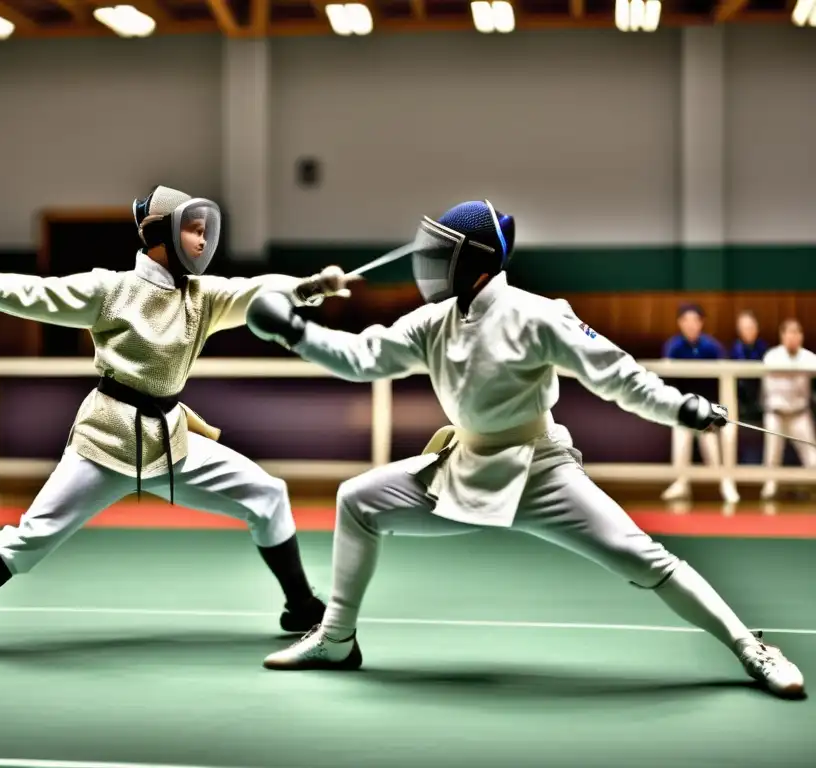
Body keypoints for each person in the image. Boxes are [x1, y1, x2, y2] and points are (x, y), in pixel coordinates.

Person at [245, 200, 804, 699]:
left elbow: (617, 376)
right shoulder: (434, 321)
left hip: (540, 471)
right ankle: (337, 639)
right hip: (460, 466)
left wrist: (682, 407)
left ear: (478, 262)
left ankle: (750, 648)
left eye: (445, 254)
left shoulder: (539, 314)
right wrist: (297, 332)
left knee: (646, 559)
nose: (432, 265)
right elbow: (364, 357)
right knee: (358, 500)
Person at [0, 185, 350, 657]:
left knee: (267, 493)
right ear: (161, 233)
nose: (204, 242)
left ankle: (300, 605)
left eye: (207, 232)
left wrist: (308, 288)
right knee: (28, 540)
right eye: (194, 231)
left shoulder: (203, 297)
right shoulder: (112, 289)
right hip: (105, 442)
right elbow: (30, 293)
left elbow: (256, 292)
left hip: (171, 443)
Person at [660, 304, 738, 503]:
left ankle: (724, 483)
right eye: (686, 320)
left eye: (695, 320)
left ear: (701, 323)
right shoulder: (673, 346)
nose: (691, 325)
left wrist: (716, 408)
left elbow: (725, 376)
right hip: (682, 404)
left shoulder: (712, 346)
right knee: (681, 438)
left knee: (710, 442)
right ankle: (681, 483)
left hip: (707, 405)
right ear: (680, 323)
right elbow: (666, 376)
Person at [759, 318, 816, 501]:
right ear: (782, 335)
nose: (792, 337)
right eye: (788, 333)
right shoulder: (771, 356)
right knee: (772, 453)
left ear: (801, 336)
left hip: (800, 414)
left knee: (812, 456)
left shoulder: (810, 357)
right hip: (776, 413)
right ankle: (770, 487)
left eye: (796, 332)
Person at [729, 310, 767, 466]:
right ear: (739, 331)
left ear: (757, 328)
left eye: (751, 327)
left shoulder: (764, 349)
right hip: (740, 400)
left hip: (762, 398)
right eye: (744, 328)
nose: (748, 331)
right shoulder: (734, 350)